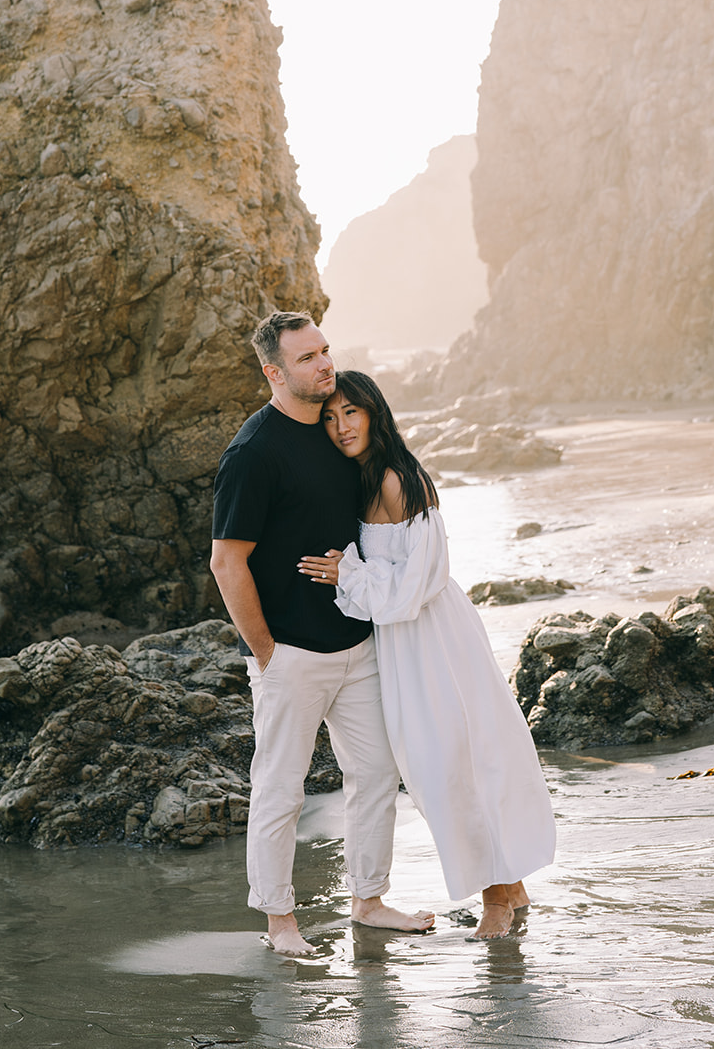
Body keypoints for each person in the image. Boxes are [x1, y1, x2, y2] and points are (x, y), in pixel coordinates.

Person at [298, 370, 557, 940]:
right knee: (436, 766)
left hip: (435, 638)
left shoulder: (397, 478)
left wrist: (348, 572)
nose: (342, 426)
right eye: (331, 417)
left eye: (352, 413)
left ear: (374, 413)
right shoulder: (362, 479)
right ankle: (510, 887)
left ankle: (497, 899)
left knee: (461, 760)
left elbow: (416, 586)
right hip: (400, 645)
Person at [210, 313, 435, 957]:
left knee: (374, 774)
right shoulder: (253, 453)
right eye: (306, 358)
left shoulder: (342, 439)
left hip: (357, 645)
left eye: (325, 351)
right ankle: (279, 920)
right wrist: (265, 653)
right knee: (281, 787)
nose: (324, 364)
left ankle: (368, 901)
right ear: (273, 372)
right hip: (292, 654)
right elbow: (227, 562)